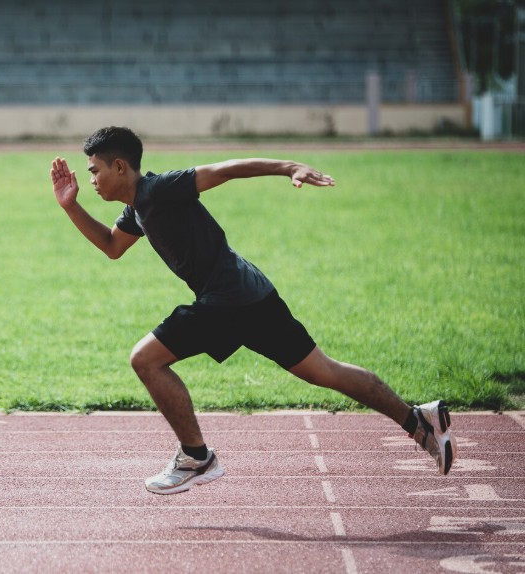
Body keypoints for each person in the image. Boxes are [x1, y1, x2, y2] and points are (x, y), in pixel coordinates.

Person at [50, 126, 456, 495]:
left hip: (228, 299)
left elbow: (223, 170)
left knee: (145, 359)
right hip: (252, 295)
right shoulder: (137, 208)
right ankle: (417, 420)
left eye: (94, 171)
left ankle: (196, 456)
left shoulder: (161, 190)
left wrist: (289, 166)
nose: (92, 180)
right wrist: (70, 206)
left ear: (120, 167)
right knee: (325, 371)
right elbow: (111, 246)